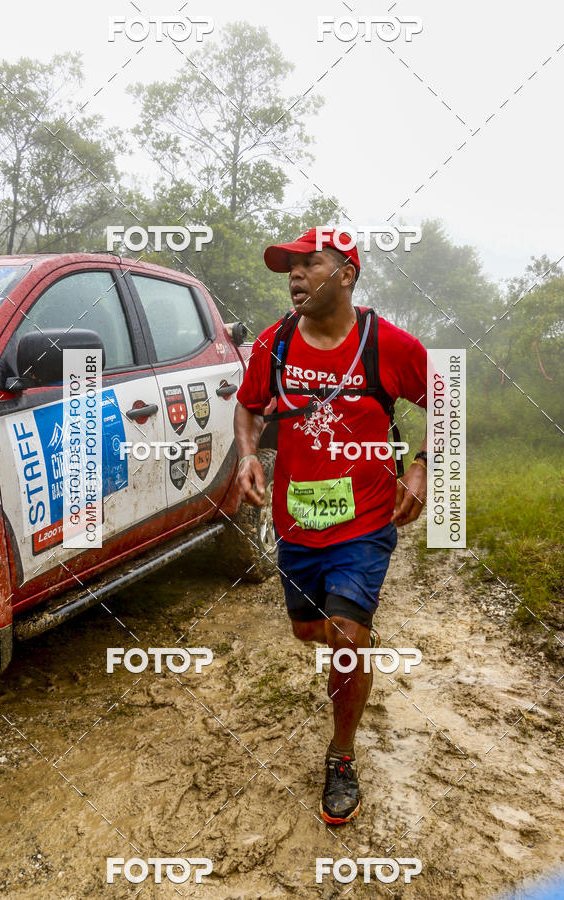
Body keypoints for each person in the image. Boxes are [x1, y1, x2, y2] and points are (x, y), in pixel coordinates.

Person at [234, 227, 428, 825]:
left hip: (365, 520)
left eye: (308, 263)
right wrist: (247, 455)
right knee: (309, 632)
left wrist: (422, 467)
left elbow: (451, 401)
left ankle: (341, 754)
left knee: (344, 636)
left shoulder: (388, 344)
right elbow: (248, 405)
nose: (294, 275)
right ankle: (355, 648)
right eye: (289, 267)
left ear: (346, 275)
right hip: (297, 521)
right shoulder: (274, 342)